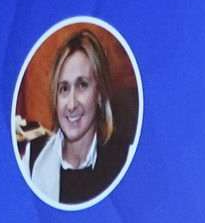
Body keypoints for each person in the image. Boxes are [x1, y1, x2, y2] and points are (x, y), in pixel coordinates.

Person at [18, 22, 133, 206]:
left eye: (82, 85)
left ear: (100, 94)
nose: (71, 104)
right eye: (63, 88)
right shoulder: (32, 159)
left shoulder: (124, 159)